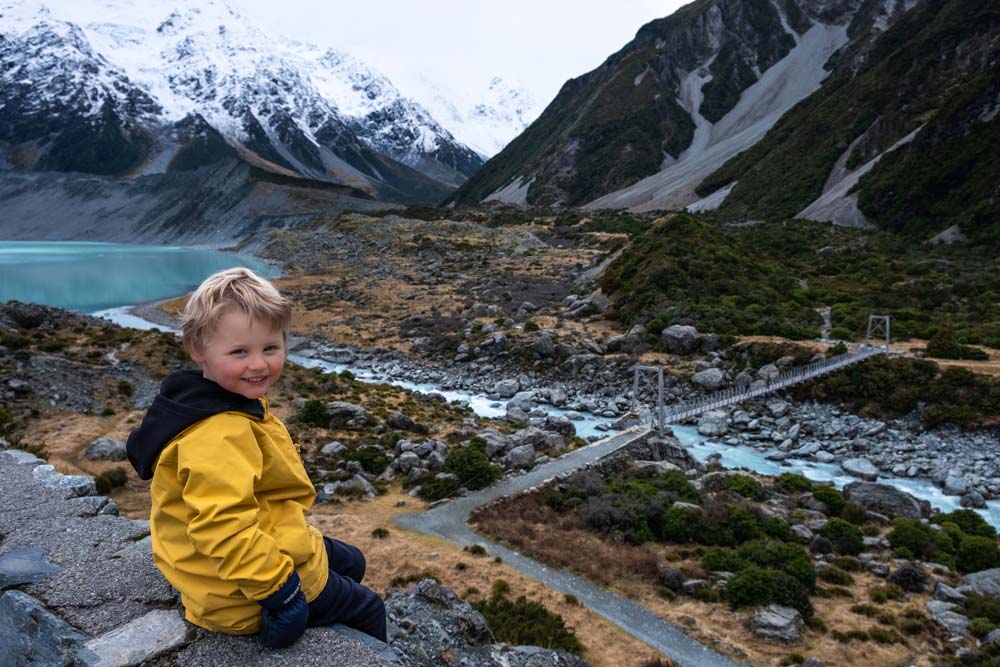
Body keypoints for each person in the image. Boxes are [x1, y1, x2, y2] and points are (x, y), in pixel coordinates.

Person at [126, 267, 386, 648]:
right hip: (236, 595)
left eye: (270, 347)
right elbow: (225, 528)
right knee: (369, 608)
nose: (259, 364)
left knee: (353, 561)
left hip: (239, 554)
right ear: (198, 348)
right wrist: (282, 594)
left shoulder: (205, 401)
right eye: (239, 352)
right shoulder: (218, 434)